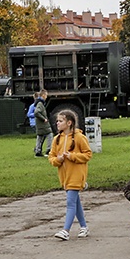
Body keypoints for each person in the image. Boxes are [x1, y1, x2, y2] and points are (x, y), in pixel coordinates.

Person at [49, 109, 92, 240]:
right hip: (65, 177)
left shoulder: (79, 137)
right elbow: (51, 157)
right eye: (57, 121)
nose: (57, 123)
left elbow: (87, 154)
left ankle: (65, 230)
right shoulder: (56, 139)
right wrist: (58, 160)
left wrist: (72, 156)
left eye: (60, 121)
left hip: (76, 175)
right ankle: (84, 227)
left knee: (70, 203)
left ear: (69, 123)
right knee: (75, 202)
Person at [33, 90, 52, 157]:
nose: (46, 97)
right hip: (42, 123)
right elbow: (36, 112)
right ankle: (48, 150)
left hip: (39, 123)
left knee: (40, 136)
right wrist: (43, 119)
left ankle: (38, 151)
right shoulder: (40, 104)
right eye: (46, 95)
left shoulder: (38, 103)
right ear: (43, 95)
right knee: (49, 134)